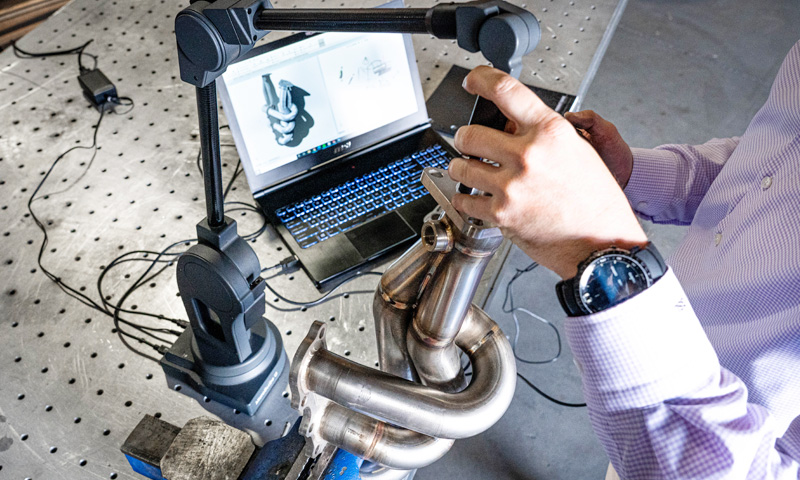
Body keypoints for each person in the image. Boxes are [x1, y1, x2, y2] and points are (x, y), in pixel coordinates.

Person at [447, 38, 800, 479]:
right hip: (657, 338)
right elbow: (775, 158)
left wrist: (600, 252)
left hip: (691, 432)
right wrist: (628, 174)